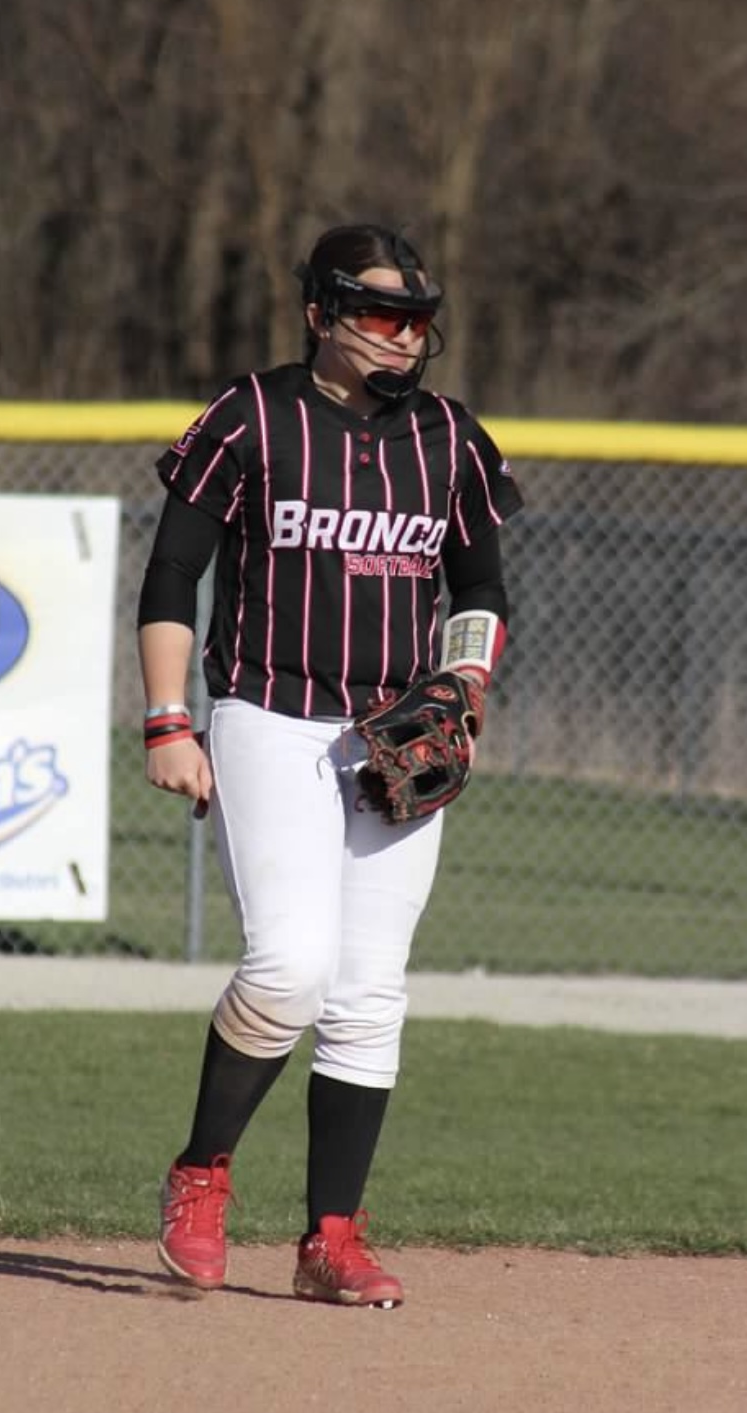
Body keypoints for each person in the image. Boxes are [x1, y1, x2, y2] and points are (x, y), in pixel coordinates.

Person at [136, 222, 523, 1308]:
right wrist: (170, 721)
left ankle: (330, 1238)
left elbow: (480, 589)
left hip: (397, 732)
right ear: (320, 313)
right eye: (382, 313)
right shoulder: (251, 415)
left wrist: (465, 685)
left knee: (368, 992)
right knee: (291, 966)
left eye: (418, 318)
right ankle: (202, 1171)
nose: (406, 336)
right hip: (271, 714)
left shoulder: (450, 439)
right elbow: (171, 577)